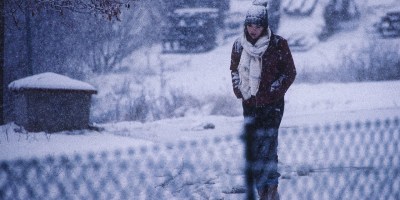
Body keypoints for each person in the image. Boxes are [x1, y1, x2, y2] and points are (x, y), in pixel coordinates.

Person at [229, 1, 296, 199]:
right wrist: (239, 90)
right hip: (249, 105)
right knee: (255, 149)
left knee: (268, 146)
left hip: (272, 106)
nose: (253, 30)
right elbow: (234, 70)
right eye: (250, 25)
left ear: (265, 25)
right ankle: (262, 191)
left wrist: (273, 91)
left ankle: (271, 189)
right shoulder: (238, 45)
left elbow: (289, 72)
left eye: (258, 26)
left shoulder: (278, 44)